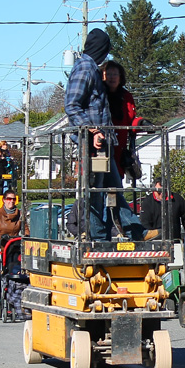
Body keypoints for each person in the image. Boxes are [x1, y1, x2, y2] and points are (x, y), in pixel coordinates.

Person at [64, 29, 141, 240]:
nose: (107, 54)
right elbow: (72, 105)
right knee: (96, 193)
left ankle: (136, 230)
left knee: (115, 188)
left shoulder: (92, 69)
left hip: (105, 143)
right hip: (93, 145)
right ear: (100, 48)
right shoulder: (85, 68)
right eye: (106, 49)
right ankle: (97, 236)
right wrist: (93, 130)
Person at [0, 191, 27, 319]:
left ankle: (12, 300)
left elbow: (26, 229)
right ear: (4, 200)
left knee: (13, 276)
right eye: (9, 199)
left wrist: (25, 237)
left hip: (12, 249)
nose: (11, 201)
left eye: (13, 199)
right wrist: (1, 238)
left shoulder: (19, 214)